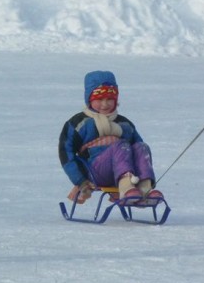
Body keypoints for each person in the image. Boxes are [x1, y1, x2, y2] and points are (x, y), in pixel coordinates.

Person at [58, 70, 161, 205]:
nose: (105, 104)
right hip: (94, 172)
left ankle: (144, 188)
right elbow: (66, 153)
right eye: (99, 99)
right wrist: (80, 180)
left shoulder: (124, 123)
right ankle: (125, 189)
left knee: (141, 147)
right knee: (121, 146)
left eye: (110, 99)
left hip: (124, 168)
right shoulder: (79, 123)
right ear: (89, 99)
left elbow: (139, 151)